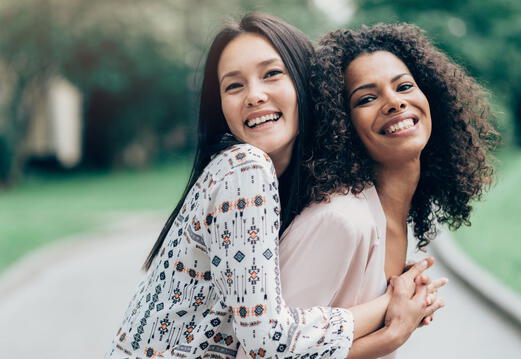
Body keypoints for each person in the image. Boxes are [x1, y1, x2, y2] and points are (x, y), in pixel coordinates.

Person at [105, 14, 439, 359]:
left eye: (271, 74)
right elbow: (265, 340)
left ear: (306, 86)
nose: (254, 95)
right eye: (234, 86)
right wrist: (391, 316)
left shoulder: (295, 186)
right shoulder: (246, 168)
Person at [272, 23, 498, 358]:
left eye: (404, 86)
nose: (394, 103)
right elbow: (265, 351)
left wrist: (398, 305)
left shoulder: (387, 216)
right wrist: (392, 334)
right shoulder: (340, 221)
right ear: (342, 124)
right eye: (366, 98)